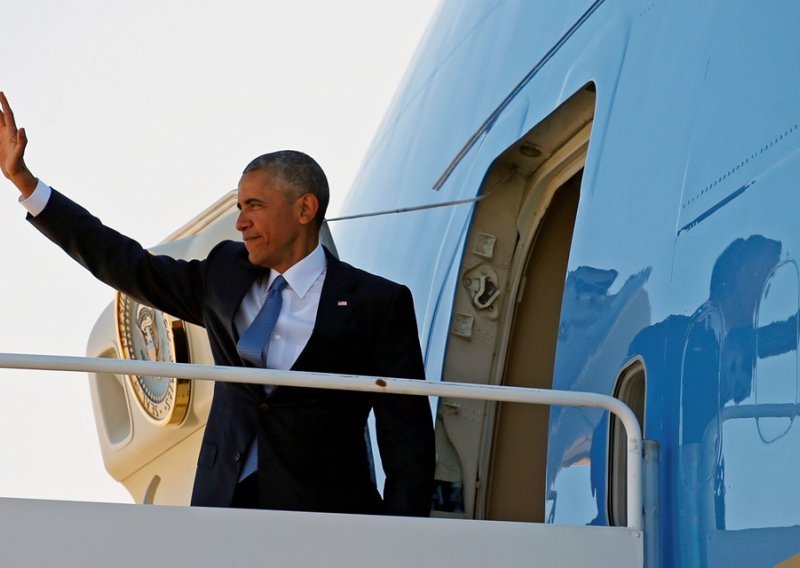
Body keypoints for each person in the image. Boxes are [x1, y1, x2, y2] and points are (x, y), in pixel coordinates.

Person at [0, 92, 435, 516]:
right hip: (222, 513)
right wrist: (28, 185)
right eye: (240, 206)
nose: (241, 221)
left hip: (326, 521)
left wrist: (401, 543)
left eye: (255, 206)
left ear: (304, 209)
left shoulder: (379, 303)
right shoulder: (223, 274)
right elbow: (126, 264)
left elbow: (407, 443)